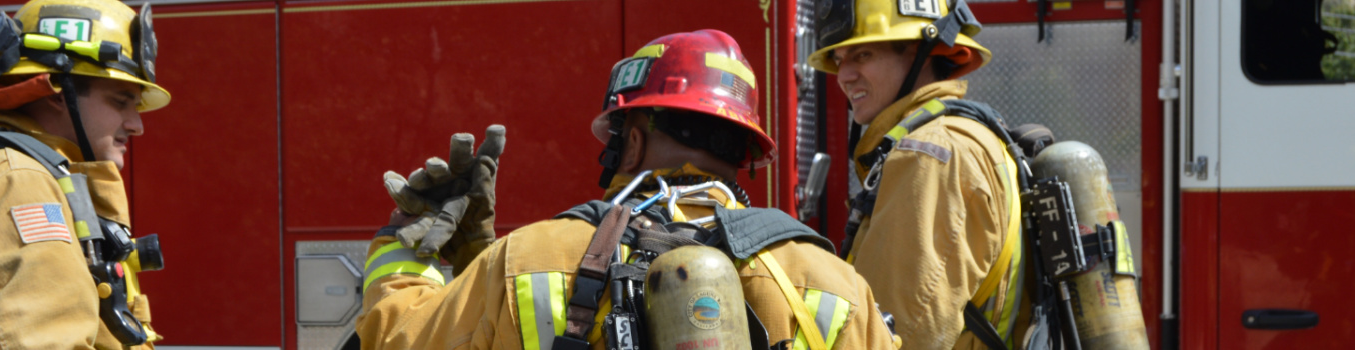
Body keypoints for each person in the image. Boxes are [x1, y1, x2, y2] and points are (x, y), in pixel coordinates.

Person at [355, 29, 897, 350]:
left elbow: (402, 337)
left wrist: (402, 245)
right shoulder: (834, 283)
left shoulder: (530, 256)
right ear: (744, 152)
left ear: (631, 144)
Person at [0, 0, 168, 347]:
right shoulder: (20, 185)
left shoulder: (17, 172)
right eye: (120, 101)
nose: (136, 125)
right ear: (56, 90)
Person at [807, 0, 1032, 348]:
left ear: (918, 51)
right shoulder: (959, 138)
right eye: (839, 61)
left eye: (863, 55)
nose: (844, 76)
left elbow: (890, 336)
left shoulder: (930, 156)